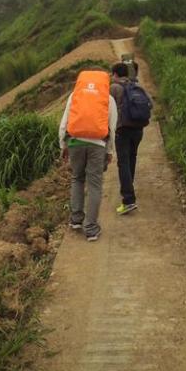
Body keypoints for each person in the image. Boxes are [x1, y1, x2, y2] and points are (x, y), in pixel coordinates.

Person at [59, 67, 117, 241]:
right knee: (94, 185)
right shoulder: (108, 99)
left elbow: (64, 123)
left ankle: (76, 219)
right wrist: (109, 151)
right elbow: (111, 128)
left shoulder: (74, 95)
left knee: (77, 178)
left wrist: (63, 145)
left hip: (75, 142)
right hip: (97, 144)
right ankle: (91, 228)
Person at [110, 60, 152, 215]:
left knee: (123, 163)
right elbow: (151, 104)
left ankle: (128, 200)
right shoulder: (137, 86)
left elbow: (106, 108)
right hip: (138, 129)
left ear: (115, 74)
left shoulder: (114, 87)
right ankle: (129, 187)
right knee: (132, 158)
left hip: (123, 129)